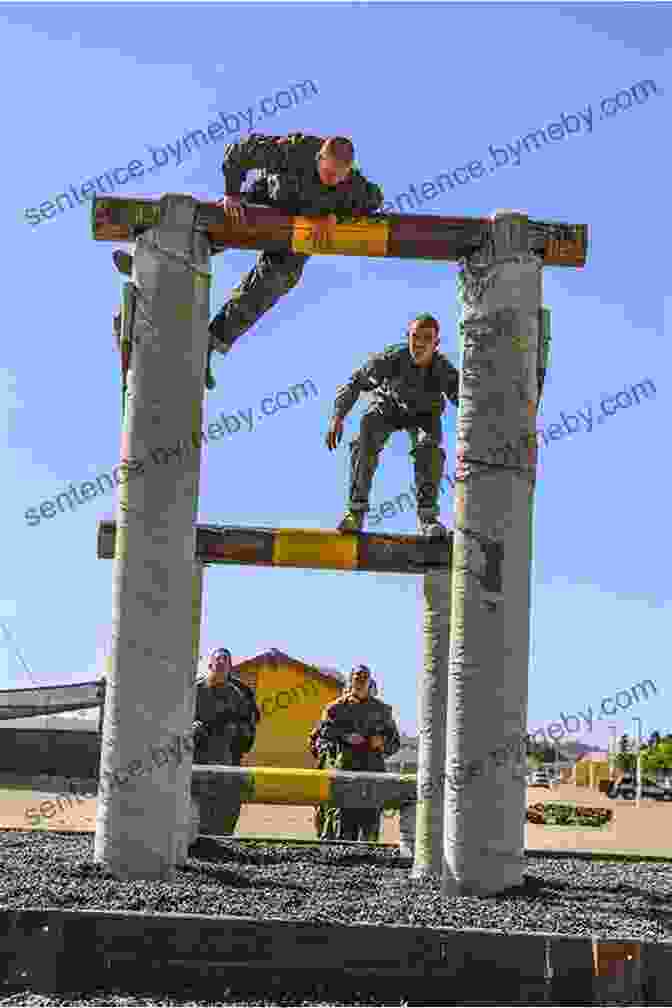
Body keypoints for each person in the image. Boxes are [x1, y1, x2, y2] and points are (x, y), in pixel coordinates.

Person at [112, 133, 384, 389]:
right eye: (328, 173)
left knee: (276, 281)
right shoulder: (294, 150)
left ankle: (209, 343)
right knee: (218, 228)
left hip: (297, 235)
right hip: (267, 204)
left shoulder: (352, 185)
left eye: (339, 177)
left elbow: (374, 200)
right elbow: (239, 152)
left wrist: (337, 217)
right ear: (319, 158)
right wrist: (232, 192)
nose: (331, 181)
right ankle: (148, 256)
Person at [325, 314, 460, 538]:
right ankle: (356, 512)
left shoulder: (442, 369)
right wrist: (338, 416)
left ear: (436, 344)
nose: (419, 344)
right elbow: (357, 381)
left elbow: (466, 401)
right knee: (367, 429)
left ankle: (428, 518)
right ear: (408, 337)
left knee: (429, 448)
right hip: (389, 407)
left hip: (425, 415)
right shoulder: (393, 358)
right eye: (415, 337)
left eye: (427, 339)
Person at [312, 664, 400, 842]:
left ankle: (368, 864)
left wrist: (381, 742)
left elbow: (394, 742)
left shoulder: (382, 711)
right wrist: (344, 737)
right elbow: (320, 738)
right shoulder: (334, 710)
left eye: (364, 677)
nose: (360, 681)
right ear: (350, 680)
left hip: (372, 775)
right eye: (356, 677)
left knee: (369, 828)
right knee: (342, 826)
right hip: (343, 774)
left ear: (370, 682)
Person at [192, 647, 261, 836]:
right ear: (210, 665)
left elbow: (248, 726)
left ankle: (219, 839)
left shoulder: (237, 695)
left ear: (230, 667)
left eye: (225, 661)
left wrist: (237, 731)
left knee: (223, 804)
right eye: (218, 660)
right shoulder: (195, 691)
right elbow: (177, 720)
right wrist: (192, 727)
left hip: (224, 756)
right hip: (195, 757)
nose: (221, 664)